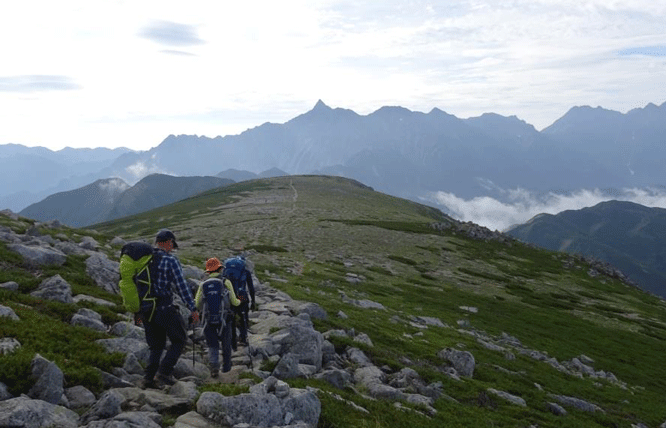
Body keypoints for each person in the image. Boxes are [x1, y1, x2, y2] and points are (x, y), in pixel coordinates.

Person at [141, 229, 199, 389]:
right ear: (168, 242)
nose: (173, 247)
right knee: (179, 339)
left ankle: (148, 378)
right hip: (164, 308)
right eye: (172, 243)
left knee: (156, 345)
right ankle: (164, 373)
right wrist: (193, 307)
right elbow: (182, 287)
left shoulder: (145, 259)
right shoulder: (170, 260)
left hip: (146, 308)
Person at [195, 257, 240, 377]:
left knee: (212, 345)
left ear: (208, 271)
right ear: (220, 269)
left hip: (208, 319)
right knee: (226, 344)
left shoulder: (203, 284)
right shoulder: (226, 282)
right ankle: (226, 368)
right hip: (225, 318)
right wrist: (240, 302)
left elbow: (196, 303)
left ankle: (214, 367)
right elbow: (234, 302)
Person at [228, 256, 256, 348]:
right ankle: (243, 339)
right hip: (242, 297)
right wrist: (253, 301)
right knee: (243, 318)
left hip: (231, 297)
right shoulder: (245, 272)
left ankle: (233, 341)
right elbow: (251, 288)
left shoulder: (228, 271)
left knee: (231, 318)